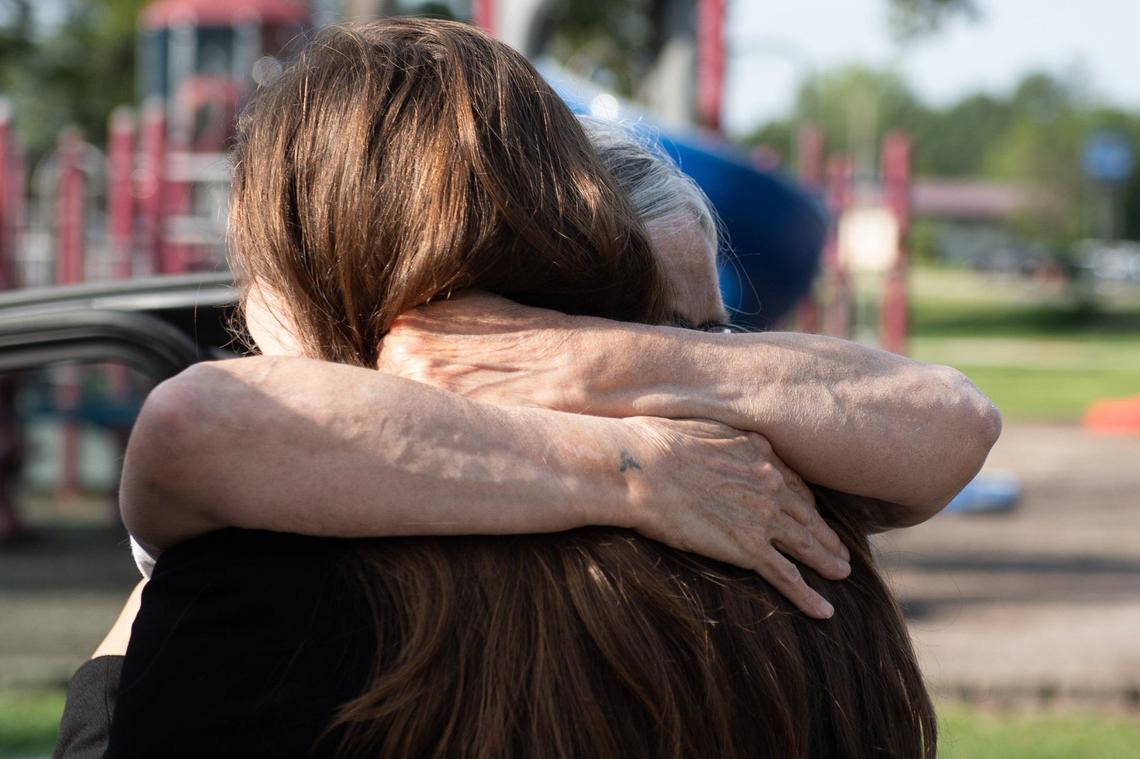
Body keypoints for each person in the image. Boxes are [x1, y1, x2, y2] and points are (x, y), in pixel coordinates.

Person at [56, 18, 996, 758]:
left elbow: (201, 427)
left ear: (300, 267)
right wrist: (629, 454)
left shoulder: (258, 585)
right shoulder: (778, 523)